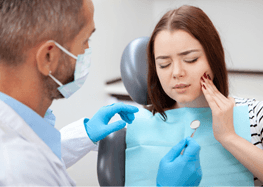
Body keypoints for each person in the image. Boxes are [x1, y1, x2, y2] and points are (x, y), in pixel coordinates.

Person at [0, 0, 199, 186]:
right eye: (85, 40)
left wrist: (85, 134)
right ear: (48, 57)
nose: (87, 50)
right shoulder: (17, 171)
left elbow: (44, 155)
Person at [125, 5, 263, 186]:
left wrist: (229, 137)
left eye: (191, 59)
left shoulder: (255, 113)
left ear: (213, 58)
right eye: (164, 64)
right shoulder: (136, 128)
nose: (177, 72)